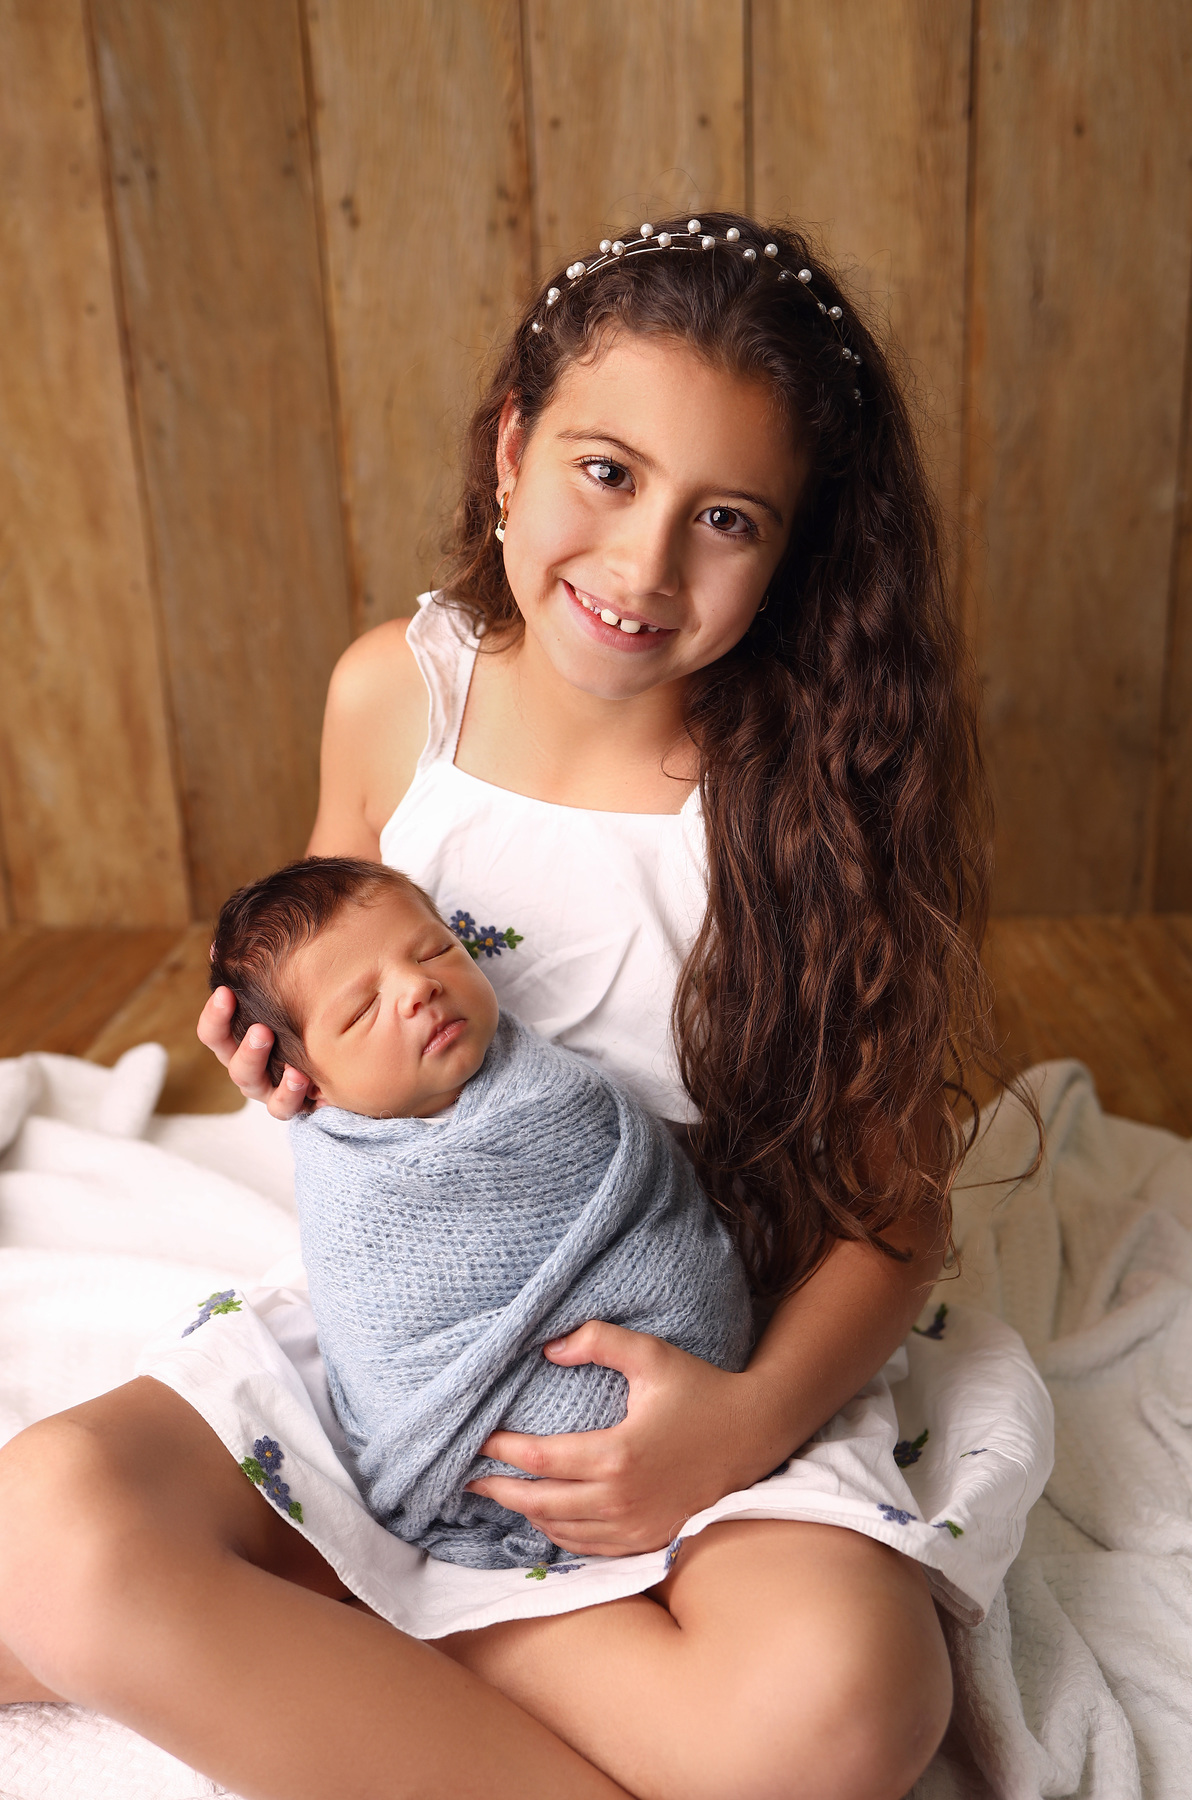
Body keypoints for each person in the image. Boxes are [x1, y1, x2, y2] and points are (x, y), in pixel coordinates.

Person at [0, 212, 1053, 1800]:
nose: (643, 567)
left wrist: (737, 1425)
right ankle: (445, 1633)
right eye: (606, 473)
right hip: (413, 1354)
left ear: (795, 550)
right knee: (45, 1531)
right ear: (512, 449)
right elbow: (327, 980)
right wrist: (292, 1066)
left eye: (727, 519)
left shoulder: (814, 791)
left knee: (847, 1709)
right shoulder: (395, 695)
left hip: (695, 1365)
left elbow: (896, 1215)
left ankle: (337, 1610)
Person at [207, 854, 751, 1569]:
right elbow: (382, 1335)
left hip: (687, 1394)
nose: (419, 987)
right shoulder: (350, 1178)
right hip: (468, 1431)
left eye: (436, 950)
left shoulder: (551, 1094)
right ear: (309, 1082)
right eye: (363, 1009)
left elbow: (653, 1230)